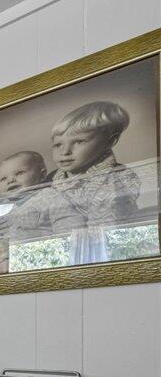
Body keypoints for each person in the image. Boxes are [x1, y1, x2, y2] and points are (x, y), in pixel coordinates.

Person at [32, 101, 140, 264]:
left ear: (110, 141)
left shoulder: (117, 178)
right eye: (58, 144)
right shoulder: (53, 178)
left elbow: (105, 230)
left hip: (86, 254)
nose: (65, 151)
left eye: (79, 141)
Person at [0, 150, 50, 276]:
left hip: (29, 251)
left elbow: (62, 226)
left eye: (20, 173)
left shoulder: (47, 197)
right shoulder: (3, 206)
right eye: (3, 179)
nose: (10, 180)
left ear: (42, 175)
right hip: (2, 252)